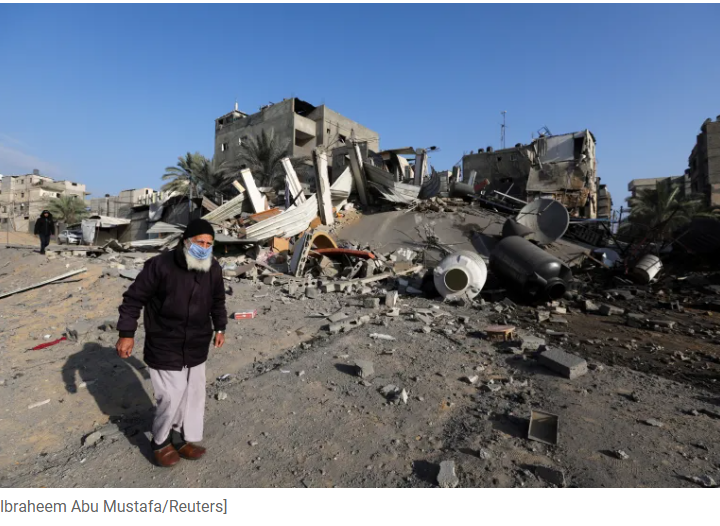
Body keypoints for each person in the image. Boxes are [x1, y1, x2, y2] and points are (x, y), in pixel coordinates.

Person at [116, 219, 227, 467]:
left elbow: (218, 300)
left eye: (209, 244)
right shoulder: (160, 265)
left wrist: (220, 327)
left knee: (192, 393)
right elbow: (133, 299)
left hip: (197, 342)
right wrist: (126, 333)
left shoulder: (213, 267)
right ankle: (160, 441)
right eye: (200, 242)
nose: (204, 248)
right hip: (165, 341)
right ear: (186, 241)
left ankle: (180, 438)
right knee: (171, 394)